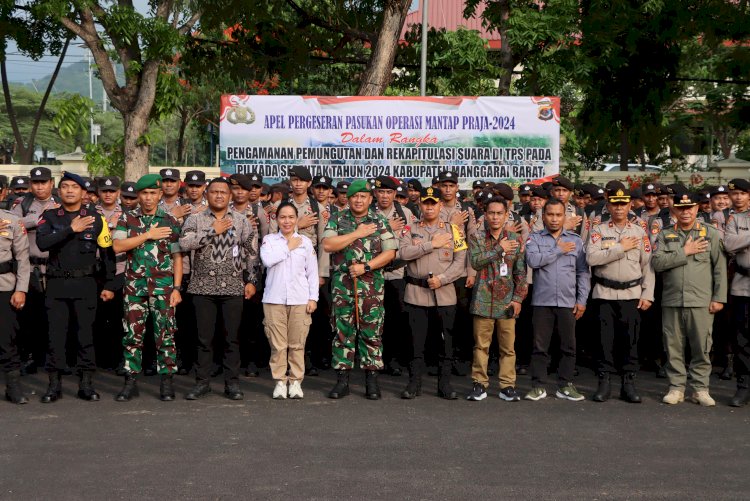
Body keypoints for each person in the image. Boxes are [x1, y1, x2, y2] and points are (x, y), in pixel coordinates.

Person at [36, 172, 116, 403]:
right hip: (57, 285)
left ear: (84, 193)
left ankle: (86, 384)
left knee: (85, 336)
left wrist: (109, 284)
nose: (70, 190)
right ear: (58, 191)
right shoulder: (50, 216)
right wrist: (70, 229)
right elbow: (42, 243)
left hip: (86, 285)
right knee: (56, 337)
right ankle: (54, 385)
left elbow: (108, 253)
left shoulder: (96, 219)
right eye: (65, 187)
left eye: (75, 187)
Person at [179, 178, 259, 401]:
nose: (219, 196)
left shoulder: (242, 221)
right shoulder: (195, 219)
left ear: (230, 195)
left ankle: (231, 384)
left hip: (233, 288)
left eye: (224, 192)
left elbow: (251, 253)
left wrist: (251, 280)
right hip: (202, 287)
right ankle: (202, 383)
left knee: (231, 339)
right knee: (204, 339)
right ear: (207, 194)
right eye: (214, 192)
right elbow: (184, 244)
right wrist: (211, 232)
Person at [322, 180, 397, 400]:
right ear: (348, 198)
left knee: (371, 334)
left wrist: (366, 266)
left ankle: (371, 381)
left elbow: (390, 252)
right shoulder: (337, 219)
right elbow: (328, 245)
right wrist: (357, 233)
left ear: (370, 199)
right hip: (342, 289)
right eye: (354, 196)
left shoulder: (380, 221)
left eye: (363, 196)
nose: (358, 200)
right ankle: (342, 380)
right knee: (342, 332)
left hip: (371, 289)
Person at [111, 174, 183, 402]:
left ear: (160, 194)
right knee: (132, 336)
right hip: (135, 288)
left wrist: (177, 288)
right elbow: (118, 246)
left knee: (166, 335)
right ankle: (130, 381)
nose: (149, 198)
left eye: (153, 193)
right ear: (138, 195)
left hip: (163, 288)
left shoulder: (169, 220)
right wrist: (148, 235)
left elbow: (177, 256)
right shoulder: (127, 219)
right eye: (144, 193)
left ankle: (167, 382)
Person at [652, 192, 727, 406]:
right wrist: (685, 252)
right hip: (672, 299)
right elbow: (657, 263)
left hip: (701, 300)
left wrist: (718, 298)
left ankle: (700, 388)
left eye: (690, 208)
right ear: (674, 210)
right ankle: (676, 387)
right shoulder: (665, 234)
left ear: (697, 209)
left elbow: (719, 268)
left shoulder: (710, 233)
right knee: (673, 345)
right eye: (681, 208)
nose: (685, 212)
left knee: (701, 346)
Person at [586, 188, 655, 403]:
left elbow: (648, 266)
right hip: (604, 294)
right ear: (608, 206)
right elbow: (591, 258)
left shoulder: (639, 232)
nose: (618, 208)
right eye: (614, 204)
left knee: (630, 341)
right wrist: (620, 248)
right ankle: (604, 383)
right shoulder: (598, 230)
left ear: (629, 206)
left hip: (631, 294)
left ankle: (628, 384)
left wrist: (648, 294)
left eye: (623, 204)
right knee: (604, 341)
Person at [399, 186, 466, 399]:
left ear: (440, 205)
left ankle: (444, 384)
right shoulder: (410, 229)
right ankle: (414, 383)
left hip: (444, 294)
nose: (429, 207)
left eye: (433, 203)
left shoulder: (453, 230)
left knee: (445, 343)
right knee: (414, 342)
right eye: (425, 203)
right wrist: (430, 245)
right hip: (416, 293)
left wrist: (442, 279)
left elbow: (460, 262)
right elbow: (403, 253)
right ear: (420, 204)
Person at [525, 198, 590, 402]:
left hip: (567, 301)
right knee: (539, 347)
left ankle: (565, 385)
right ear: (543, 216)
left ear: (565, 217)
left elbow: (583, 272)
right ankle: (538, 386)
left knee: (568, 346)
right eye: (550, 214)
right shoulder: (535, 238)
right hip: (542, 301)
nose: (554, 219)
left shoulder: (576, 240)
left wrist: (582, 300)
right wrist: (558, 250)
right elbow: (533, 261)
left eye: (558, 215)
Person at [466, 196, 528, 402]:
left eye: (499, 213)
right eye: (491, 213)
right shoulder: (477, 237)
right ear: (485, 215)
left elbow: (520, 273)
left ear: (506, 215)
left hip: (507, 303)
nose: (494, 217)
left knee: (508, 348)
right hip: (482, 301)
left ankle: (507, 385)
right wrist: (499, 248)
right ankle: (479, 384)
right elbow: (476, 262)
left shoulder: (515, 238)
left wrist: (518, 299)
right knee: (481, 346)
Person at [260, 202, 319, 399]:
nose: (287, 221)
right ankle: (279, 381)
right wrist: (287, 247)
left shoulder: (305, 241)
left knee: (297, 344)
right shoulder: (269, 240)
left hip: (300, 299)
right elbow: (267, 261)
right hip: (273, 299)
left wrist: (313, 298)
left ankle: (295, 382)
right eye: (283, 217)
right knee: (278, 345)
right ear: (276, 219)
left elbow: (312, 272)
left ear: (296, 219)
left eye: (291, 217)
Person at [11, 167, 60, 375]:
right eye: (36, 183)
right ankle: (29, 357)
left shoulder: (60, 202)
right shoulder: (23, 204)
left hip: (54, 266)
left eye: (44, 182)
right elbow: (10, 226)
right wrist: (35, 220)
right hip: (29, 267)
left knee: (54, 314)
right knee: (29, 316)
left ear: (51, 183)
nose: (40, 186)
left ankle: (53, 357)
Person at [373, 175, 415, 377]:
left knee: (396, 319)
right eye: (381, 192)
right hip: (373, 273)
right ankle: (374, 359)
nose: (384, 196)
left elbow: (412, 242)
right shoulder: (368, 213)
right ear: (375, 193)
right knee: (374, 319)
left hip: (397, 273)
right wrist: (387, 227)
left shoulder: (405, 213)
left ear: (395, 194)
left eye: (389, 192)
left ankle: (393, 360)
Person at [0, 207, 31, 403]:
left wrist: (21, 289)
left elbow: (22, 257)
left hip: (4, 285)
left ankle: (13, 388)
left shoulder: (12, 220)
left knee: (6, 338)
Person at [725, 179, 750, 406]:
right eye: (736, 194)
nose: (739, 197)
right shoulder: (735, 219)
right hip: (742, 285)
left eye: (743, 193)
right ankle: (743, 385)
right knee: (741, 338)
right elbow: (729, 244)